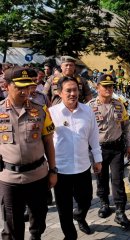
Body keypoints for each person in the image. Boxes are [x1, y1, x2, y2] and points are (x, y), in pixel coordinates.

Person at [0, 66, 56, 240]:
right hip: (9, 179)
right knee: (11, 226)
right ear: (6, 86)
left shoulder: (41, 110)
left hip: (37, 176)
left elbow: (48, 142)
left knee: (38, 220)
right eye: (19, 87)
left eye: (27, 86)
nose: (25, 91)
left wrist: (53, 171)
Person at [48, 76, 102, 239]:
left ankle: (79, 216)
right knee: (64, 208)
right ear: (60, 93)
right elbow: (47, 141)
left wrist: (97, 158)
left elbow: (94, 136)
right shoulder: (52, 113)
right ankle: (70, 235)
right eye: (68, 90)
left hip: (82, 167)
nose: (73, 93)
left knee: (86, 200)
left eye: (75, 90)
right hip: (61, 170)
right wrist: (48, 167)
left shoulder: (87, 111)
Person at [87, 74, 130, 229]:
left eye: (111, 86)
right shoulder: (90, 106)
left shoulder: (119, 105)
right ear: (97, 87)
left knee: (118, 179)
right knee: (101, 177)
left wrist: (129, 145)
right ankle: (104, 203)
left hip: (116, 148)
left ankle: (120, 211)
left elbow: (126, 126)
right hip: (98, 148)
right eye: (105, 86)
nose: (108, 89)